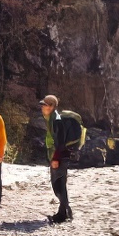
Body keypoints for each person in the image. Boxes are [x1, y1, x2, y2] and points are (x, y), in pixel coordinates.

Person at [40, 95, 81, 224]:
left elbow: (60, 141)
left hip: (60, 156)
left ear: (51, 106)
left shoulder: (56, 120)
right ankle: (64, 211)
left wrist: (56, 158)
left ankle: (65, 212)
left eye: (44, 105)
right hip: (60, 155)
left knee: (58, 184)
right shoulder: (51, 118)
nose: (42, 107)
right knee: (59, 183)